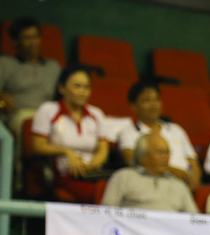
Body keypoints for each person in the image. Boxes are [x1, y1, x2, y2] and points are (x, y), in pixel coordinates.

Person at [31, 64, 110, 203]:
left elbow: (103, 149)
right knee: (105, 192)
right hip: (64, 175)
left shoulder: (96, 114)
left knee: (116, 186)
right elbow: (38, 145)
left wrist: (92, 164)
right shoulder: (48, 109)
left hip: (92, 174)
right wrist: (67, 152)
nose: (83, 92)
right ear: (61, 88)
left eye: (87, 87)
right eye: (77, 86)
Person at [117, 81, 201, 191]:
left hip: (186, 186)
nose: (153, 105)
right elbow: (134, 162)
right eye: (146, 100)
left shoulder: (176, 129)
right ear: (134, 106)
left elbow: (193, 162)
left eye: (156, 99)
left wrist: (193, 183)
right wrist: (177, 173)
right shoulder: (129, 132)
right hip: (152, 185)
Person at [101, 133, 197, 212]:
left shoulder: (179, 185)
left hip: (170, 229)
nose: (166, 157)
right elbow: (106, 212)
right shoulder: (123, 177)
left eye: (167, 153)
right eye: (160, 152)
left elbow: (194, 220)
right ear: (143, 156)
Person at [0, 17, 61, 134]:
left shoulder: (53, 67)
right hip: (20, 114)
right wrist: (2, 100)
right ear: (15, 42)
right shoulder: (5, 63)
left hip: (48, 115)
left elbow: (63, 95)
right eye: (27, 38)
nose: (33, 43)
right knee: (31, 124)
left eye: (35, 37)